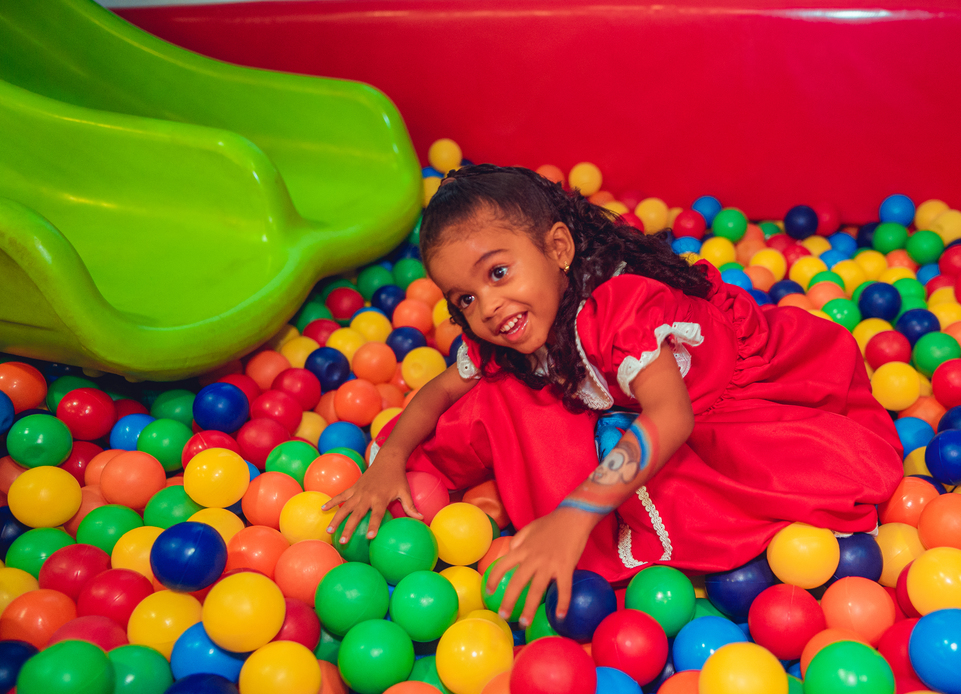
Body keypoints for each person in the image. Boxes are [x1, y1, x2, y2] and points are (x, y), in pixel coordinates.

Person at [324, 164, 903, 626]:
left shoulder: (620, 313)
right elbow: (436, 392)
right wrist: (390, 459)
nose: (488, 306)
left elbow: (670, 418)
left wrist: (573, 517)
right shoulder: (510, 332)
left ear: (557, 249)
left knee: (723, 492)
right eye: (465, 299)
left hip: (717, 397)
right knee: (496, 401)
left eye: (497, 273)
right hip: (626, 398)